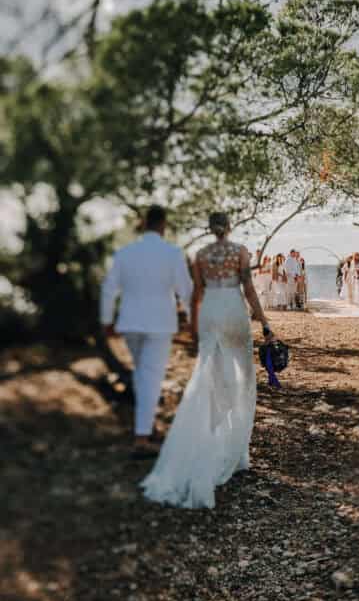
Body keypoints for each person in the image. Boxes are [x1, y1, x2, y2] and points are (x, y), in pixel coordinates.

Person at [141, 211, 275, 509]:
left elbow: (196, 294)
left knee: (209, 378)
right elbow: (249, 290)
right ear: (229, 227)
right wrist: (265, 324)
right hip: (232, 311)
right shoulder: (240, 252)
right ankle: (237, 453)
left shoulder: (199, 255)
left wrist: (192, 327)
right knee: (243, 378)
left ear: (209, 228)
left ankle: (212, 442)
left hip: (211, 312)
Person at [100, 204, 192, 459]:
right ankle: (141, 440)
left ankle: (148, 426)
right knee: (150, 377)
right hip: (159, 324)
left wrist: (106, 321)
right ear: (163, 224)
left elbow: (108, 289)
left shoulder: (125, 253)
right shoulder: (172, 253)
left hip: (130, 323)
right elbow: (185, 290)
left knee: (143, 375)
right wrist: (194, 320)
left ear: (144, 223)